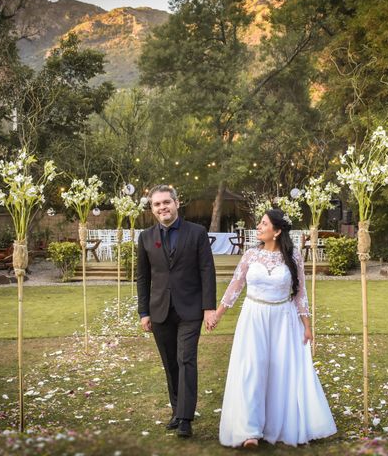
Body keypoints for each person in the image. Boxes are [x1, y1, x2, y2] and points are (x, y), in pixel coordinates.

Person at [212, 208, 337, 448]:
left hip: (283, 318)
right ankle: (249, 430)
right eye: (259, 223)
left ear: (277, 231)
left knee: (280, 371)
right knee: (251, 368)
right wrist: (218, 314)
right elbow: (235, 286)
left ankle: (276, 424)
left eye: (264, 224)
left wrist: (307, 326)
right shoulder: (250, 255)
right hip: (253, 316)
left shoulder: (294, 256)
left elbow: (300, 293)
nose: (258, 227)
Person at [137, 184, 217, 438]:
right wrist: (143, 312)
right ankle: (176, 411)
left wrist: (209, 309)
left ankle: (185, 417)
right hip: (159, 311)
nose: (162, 207)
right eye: (157, 204)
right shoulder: (146, 238)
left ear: (176, 203)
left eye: (166, 202)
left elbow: (207, 271)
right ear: (152, 209)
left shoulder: (197, 233)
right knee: (170, 363)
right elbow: (142, 277)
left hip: (190, 310)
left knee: (186, 359)